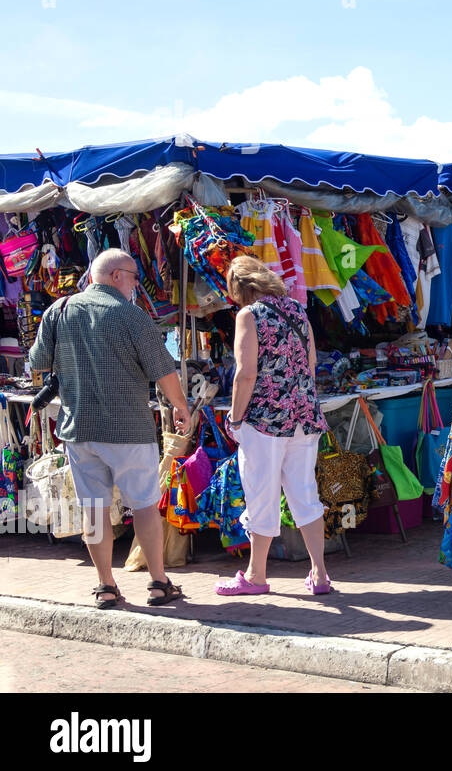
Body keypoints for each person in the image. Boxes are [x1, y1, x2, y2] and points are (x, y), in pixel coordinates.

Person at [27, 248, 192, 609]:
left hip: (79, 428)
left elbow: (37, 362)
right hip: (128, 428)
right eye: (134, 277)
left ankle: (105, 586)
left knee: (94, 508)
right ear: (116, 276)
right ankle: (159, 583)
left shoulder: (59, 310)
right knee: (146, 506)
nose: (137, 284)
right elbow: (163, 370)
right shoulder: (131, 316)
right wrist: (181, 406)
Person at [216, 255, 332, 597]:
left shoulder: (249, 315)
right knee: (305, 494)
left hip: (265, 419)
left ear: (240, 288)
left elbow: (245, 373)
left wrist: (235, 419)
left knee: (261, 495)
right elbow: (310, 364)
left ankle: (256, 575)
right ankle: (320, 575)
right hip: (304, 415)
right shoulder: (297, 310)